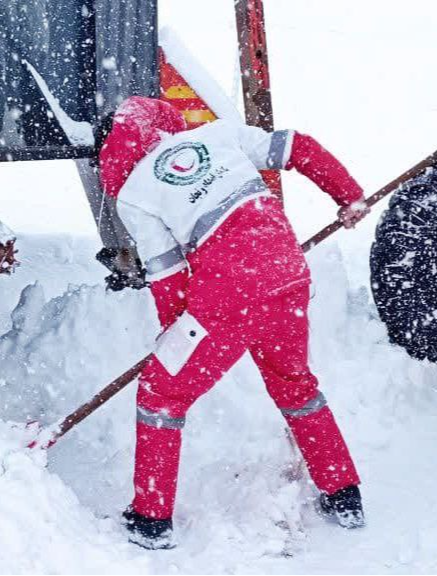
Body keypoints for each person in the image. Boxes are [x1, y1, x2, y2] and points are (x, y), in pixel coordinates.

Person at [98, 96, 369, 550]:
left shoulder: (135, 193)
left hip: (228, 296)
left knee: (161, 393)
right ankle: (344, 495)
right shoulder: (217, 134)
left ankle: (150, 520)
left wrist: (177, 332)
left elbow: (166, 272)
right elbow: (297, 147)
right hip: (287, 272)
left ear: (113, 149)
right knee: (295, 384)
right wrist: (348, 195)